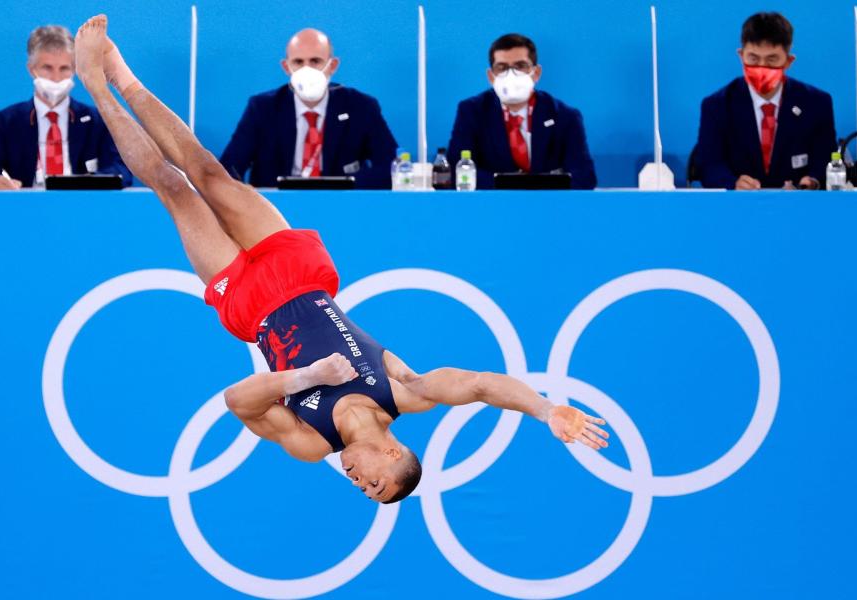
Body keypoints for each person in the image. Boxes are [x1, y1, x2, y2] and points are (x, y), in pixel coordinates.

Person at [73, 15, 609, 504]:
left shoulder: (312, 442)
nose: (357, 480)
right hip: (300, 277)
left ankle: (96, 87)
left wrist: (303, 377)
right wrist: (546, 409)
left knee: (173, 189)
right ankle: (122, 75)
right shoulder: (406, 391)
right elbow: (482, 385)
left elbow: (237, 401)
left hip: (249, 305)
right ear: (395, 455)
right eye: (373, 482)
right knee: (209, 173)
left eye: (361, 490)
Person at [219, 28, 397, 189]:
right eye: (298, 62)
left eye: (315, 61)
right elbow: (230, 168)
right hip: (276, 211)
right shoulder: (263, 108)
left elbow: (391, 166)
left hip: (342, 205)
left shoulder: (360, 106)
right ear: (286, 67)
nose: (307, 69)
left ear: (332, 65)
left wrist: (346, 184)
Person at [0, 25, 131, 190]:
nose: (56, 78)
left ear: (74, 70)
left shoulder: (97, 121)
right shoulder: (7, 121)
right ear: (32, 69)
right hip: (26, 207)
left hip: (82, 205)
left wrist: (86, 183)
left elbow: (121, 169)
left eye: (64, 68)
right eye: (47, 68)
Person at [696, 12, 837, 190]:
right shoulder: (716, 106)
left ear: (788, 61)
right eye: (753, 59)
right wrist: (733, 183)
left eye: (772, 60)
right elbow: (710, 165)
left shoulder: (816, 103)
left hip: (798, 207)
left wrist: (813, 181)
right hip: (738, 207)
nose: (761, 68)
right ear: (741, 56)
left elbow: (824, 159)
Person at [447, 33, 596, 190]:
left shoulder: (565, 117)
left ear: (536, 73)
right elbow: (457, 172)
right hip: (492, 206)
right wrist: (512, 184)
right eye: (502, 68)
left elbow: (585, 176)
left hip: (549, 206)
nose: (511, 75)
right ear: (491, 77)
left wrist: (534, 186)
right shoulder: (472, 112)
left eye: (520, 66)